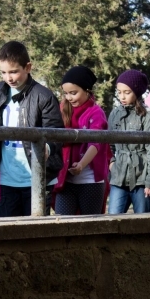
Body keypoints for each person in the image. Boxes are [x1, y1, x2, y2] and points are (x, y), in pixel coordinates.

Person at [0, 41, 64, 217]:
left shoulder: (44, 96)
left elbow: (56, 131)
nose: (9, 78)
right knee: (7, 231)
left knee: (36, 233)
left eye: (14, 72)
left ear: (28, 67)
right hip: (8, 178)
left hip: (38, 178)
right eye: (3, 72)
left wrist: (46, 148)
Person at [51, 66, 111, 215]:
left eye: (74, 93)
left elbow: (95, 143)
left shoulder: (96, 112)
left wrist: (82, 164)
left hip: (90, 181)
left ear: (87, 90)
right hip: (66, 180)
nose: (69, 98)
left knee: (89, 226)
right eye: (66, 94)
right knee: (62, 223)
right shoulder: (63, 109)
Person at [107, 69, 150, 214]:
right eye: (119, 92)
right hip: (119, 177)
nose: (122, 96)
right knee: (112, 219)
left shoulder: (148, 116)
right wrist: (111, 162)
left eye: (127, 92)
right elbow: (108, 143)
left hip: (142, 178)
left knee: (143, 222)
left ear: (137, 92)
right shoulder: (115, 114)